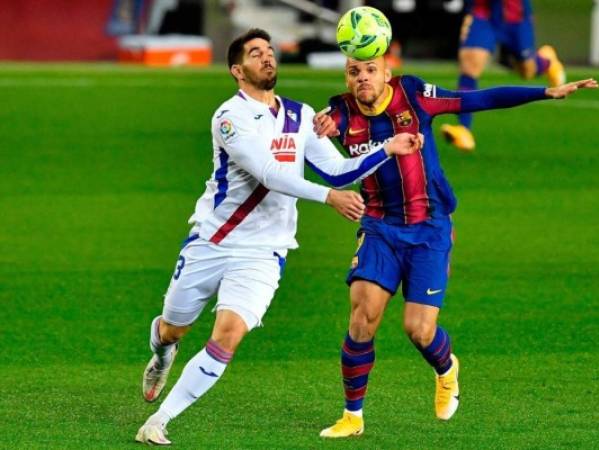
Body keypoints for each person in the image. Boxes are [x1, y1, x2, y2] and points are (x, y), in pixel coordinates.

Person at [134, 28, 424, 446]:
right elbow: (269, 174)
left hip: (264, 252)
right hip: (213, 240)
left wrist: (387, 148)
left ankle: (159, 421)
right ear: (238, 70)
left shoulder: (302, 116)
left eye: (270, 52)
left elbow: (338, 170)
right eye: (256, 54)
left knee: (228, 333)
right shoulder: (229, 117)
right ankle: (162, 353)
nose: (268, 58)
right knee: (173, 328)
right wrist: (328, 198)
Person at [318, 54, 597, 438]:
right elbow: (307, 143)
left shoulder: (414, 94)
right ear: (347, 79)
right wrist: (315, 127)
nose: (362, 78)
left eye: (370, 70)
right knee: (362, 316)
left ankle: (446, 368)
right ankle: (353, 416)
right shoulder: (340, 113)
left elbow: (478, 99)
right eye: (354, 72)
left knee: (418, 330)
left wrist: (547, 91)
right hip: (380, 226)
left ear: (387, 72)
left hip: (429, 229)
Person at [441, 0, 566, 151]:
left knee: (527, 70)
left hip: (515, 15)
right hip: (482, 13)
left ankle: (546, 62)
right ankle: (463, 128)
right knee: (470, 66)